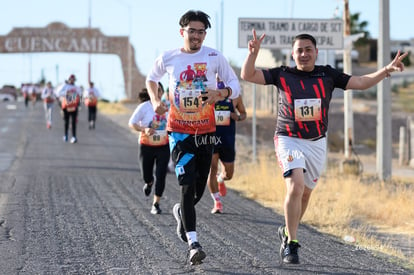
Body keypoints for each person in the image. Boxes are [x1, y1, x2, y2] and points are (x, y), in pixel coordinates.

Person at [240, 30, 408, 264]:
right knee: (295, 186)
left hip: (317, 142)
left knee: (306, 193)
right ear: (293, 54)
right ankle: (292, 244)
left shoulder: (327, 75)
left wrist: (386, 70)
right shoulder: (282, 74)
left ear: (316, 52)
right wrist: (253, 54)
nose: (304, 54)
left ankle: (287, 231)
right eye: (299, 50)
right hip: (288, 138)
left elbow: (360, 82)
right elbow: (248, 75)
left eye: (309, 50)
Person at [145, 10, 240, 265]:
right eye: (192, 31)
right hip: (179, 132)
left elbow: (235, 83)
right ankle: (193, 243)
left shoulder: (214, 56)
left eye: (201, 32)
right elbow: (151, 79)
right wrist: (155, 101)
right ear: (182, 32)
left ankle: (181, 213)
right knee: (186, 186)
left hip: (207, 132)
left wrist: (221, 94)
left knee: (198, 186)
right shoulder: (169, 57)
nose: (196, 36)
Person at [207, 75, 247, 214]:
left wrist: (236, 116)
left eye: (221, 78)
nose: (218, 81)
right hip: (211, 137)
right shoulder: (207, 94)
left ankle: (221, 179)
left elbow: (243, 114)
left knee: (229, 174)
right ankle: (217, 202)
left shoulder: (235, 97)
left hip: (227, 138)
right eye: (216, 78)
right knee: (212, 168)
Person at [128, 84, 170, 215]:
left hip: (163, 146)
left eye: (160, 91)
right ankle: (149, 182)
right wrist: (144, 129)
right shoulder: (144, 107)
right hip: (146, 145)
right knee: (146, 174)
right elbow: (132, 123)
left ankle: (156, 204)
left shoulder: (168, 106)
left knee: (161, 175)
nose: (158, 93)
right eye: (155, 91)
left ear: (162, 93)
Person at [58, 74, 81, 143]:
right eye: (71, 79)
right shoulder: (65, 86)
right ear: (68, 79)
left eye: (73, 79)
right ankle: (65, 135)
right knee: (66, 121)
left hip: (74, 105)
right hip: (66, 105)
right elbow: (58, 92)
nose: (72, 80)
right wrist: (66, 93)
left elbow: (80, 94)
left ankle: (74, 136)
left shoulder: (77, 87)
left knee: (73, 122)